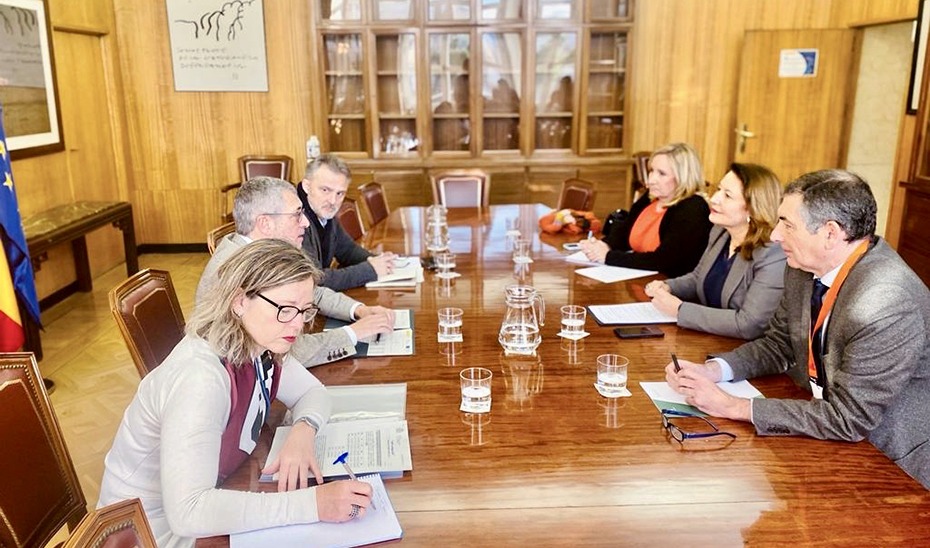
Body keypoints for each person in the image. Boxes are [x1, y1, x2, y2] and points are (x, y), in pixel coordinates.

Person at [98, 240, 375, 546]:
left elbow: (313, 392)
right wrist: (314, 504)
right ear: (240, 301)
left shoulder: (259, 343)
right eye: (285, 309)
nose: (297, 325)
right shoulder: (201, 378)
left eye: (304, 311)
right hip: (151, 534)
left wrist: (303, 430)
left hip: (214, 496)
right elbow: (188, 512)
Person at [667, 170, 930, 488]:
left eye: (787, 225)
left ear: (831, 233)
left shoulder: (886, 302)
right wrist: (715, 370)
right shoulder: (804, 267)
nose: (775, 235)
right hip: (824, 431)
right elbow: (779, 342)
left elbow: (850, 419)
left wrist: (732, 406)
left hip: (889, 464)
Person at [196, 176, 395, 366]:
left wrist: (359, 310)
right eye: (297, 214)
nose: (306, 223)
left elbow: (310, 292)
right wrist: (353, 334)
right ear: (265, 223)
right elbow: (283, 353)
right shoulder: (242, 269)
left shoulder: (259, 249)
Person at [645, 163, 786, 339]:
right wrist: (668, 286)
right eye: (718, 190)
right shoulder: (720, 232)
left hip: (746, 353)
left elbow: (750, 324)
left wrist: (681, 311)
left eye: (727, 195)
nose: (714, 199)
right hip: (708, 339)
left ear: (753, 207)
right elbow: (698, 278)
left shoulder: (773, 252)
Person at [579, 142, 712, 277]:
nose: (651, 180)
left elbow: (664, 260)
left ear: (683, 177)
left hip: (669, 286)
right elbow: (625, 232)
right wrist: (604, 245)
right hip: (638, 279)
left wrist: (609, 257)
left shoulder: (693, 208)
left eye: (662, 174)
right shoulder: (651, 197)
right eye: (651, 171)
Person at [298, 154, 395, 291]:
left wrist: (377, 261)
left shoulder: (321, 210)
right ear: (307, 186)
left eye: (340, 194)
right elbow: (315, 280)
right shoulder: (296, 219)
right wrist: (370, 270)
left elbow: (347, 250)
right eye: (325, 190)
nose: (333, 201)